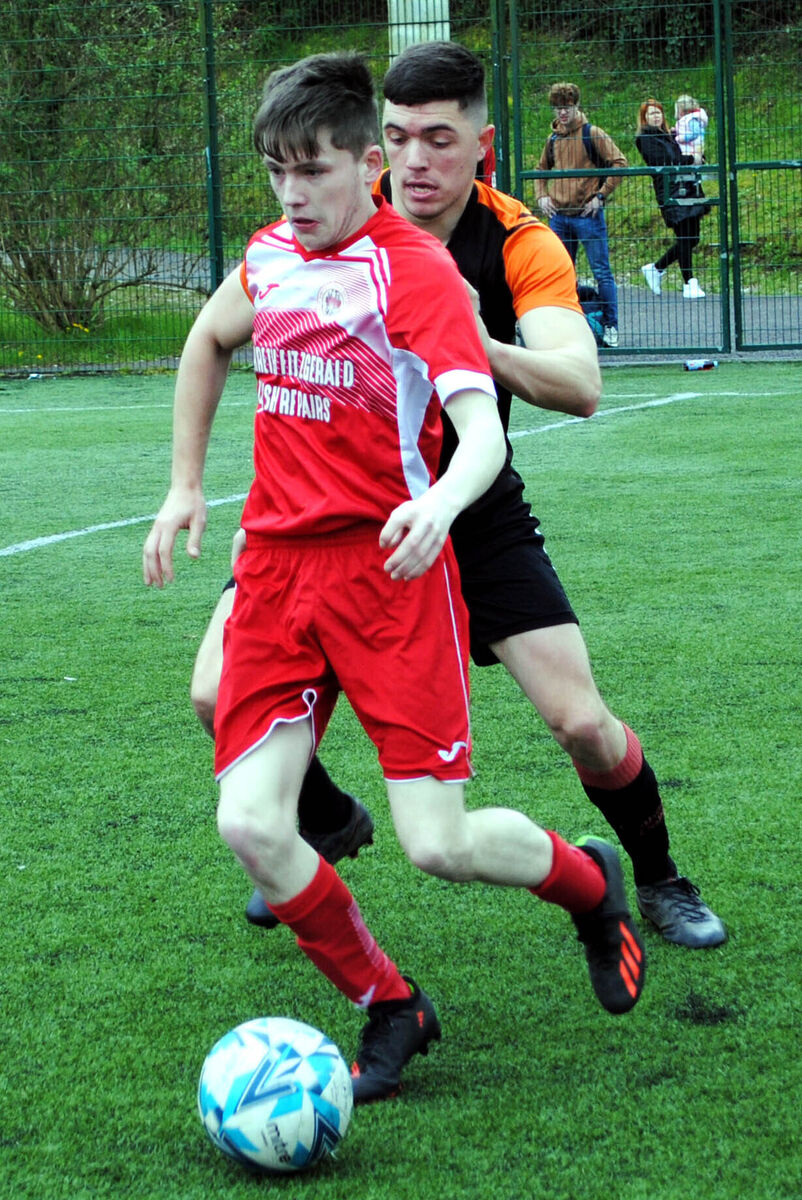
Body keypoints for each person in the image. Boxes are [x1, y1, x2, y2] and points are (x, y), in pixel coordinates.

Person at [143, 51, 647, 1106]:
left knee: (438, 845)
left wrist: (439, 502)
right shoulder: (271, 254)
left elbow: (478, 434)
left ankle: (589, 881)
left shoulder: (411, 271)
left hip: (386, 576)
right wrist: (184, 486)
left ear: (363, 167)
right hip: (279, 571)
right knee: (247, 823)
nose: (292, 193)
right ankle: (391, 1004)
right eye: (277, 170)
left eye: (314, 170)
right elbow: (206, 339)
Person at [193, 42, 725, 955]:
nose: (415, 162)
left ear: (482, 141)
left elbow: (579, 382)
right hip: (335, 529)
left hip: (468, 511)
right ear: (372, 149)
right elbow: (217, 331)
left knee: (580, 722)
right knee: (212, 694)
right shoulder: (325, 218)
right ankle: (321, 823)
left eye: (439, 140)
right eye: (397, 140)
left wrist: (470, 346)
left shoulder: (517, 237)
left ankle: (658, 876)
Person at [533, 81, 626, 348]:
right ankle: (566, 329)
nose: (563, 113)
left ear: (577, 106)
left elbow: (619, 163)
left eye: (568, 107)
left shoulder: (591, 133)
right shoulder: (552, 139)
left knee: (602, 272)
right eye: (558, 108)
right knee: (560, 273)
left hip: (588, 215)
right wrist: (542, 195)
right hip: (559, 217)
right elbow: (540, 170)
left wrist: (601, 195)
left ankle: (610, 326)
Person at [637, 99, 708, 300]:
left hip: (687, 188)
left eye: (658, 112)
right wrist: (689, 160)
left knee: (693, 237)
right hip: (671, 192)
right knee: (685, 236)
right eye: (651, 113)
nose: (656, 116)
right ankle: (689, 283)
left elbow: (680, 155)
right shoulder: (645, 138)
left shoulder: (669, 135)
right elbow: (663, 161)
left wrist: (697, 158)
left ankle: (656, 268)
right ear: (644, 118)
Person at [673, 94, 709, 165]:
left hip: (692, 148)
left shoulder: (691, 119)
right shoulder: (687, 119)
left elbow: (695, 133)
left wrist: (682, 138)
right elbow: (685, 129)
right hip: (688, 147)